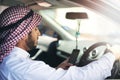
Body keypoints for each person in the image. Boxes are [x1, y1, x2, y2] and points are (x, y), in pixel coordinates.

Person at [0, 5, 120, 80]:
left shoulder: (10, 61)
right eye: (36, 29)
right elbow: (85, 77)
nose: (39, 34)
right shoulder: (23, 68)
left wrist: (56, 71)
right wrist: (112, 54)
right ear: (22, 34)